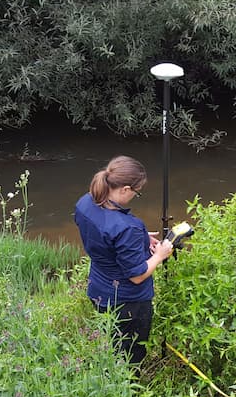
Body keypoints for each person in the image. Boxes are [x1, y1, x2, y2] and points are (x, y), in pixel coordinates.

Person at [74, 155, 173, 364]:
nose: (135, 196)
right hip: (128, 303)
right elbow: (137, 276)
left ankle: (109, 376)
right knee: (130, 355)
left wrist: (140, 239)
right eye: (137, 192)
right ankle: (128, 389)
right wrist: (160, 255)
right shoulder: (127, 227)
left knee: (112, 343)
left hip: (98, 292)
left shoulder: (85, 202)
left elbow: (102, 234)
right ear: (125, 189)